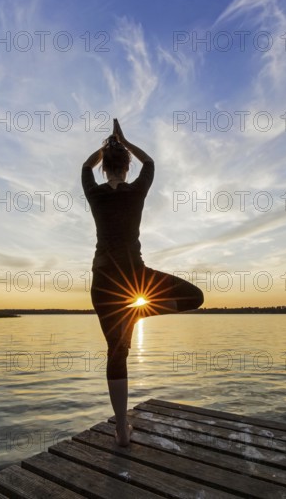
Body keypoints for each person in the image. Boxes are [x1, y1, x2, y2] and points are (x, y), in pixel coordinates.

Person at [81, 118, 204, 446]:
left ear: (105, 168)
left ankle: (121, 429)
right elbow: (149, 162)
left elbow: (84, 167)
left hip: (103, 281)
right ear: (127, 165)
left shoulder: (94, 193)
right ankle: (138, 312)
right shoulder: (137, 190)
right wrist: (124, 140)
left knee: (115, 351)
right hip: (137, 278)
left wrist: (105, 148)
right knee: (194, 297)